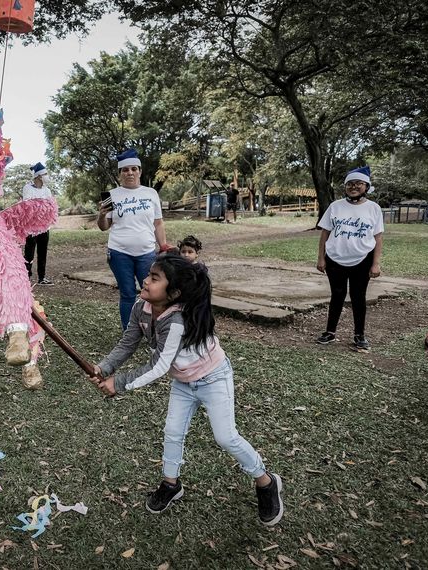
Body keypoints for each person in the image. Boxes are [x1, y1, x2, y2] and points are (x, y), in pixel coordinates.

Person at [91, 253, 284, 526]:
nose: (145, 281)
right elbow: (127, 343)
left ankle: (266, 481)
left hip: (213, 379)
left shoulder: (177, 321)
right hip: (183, 381)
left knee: (226, 437)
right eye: (148, 275)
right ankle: (171, 484)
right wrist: (104, 368)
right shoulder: (141, 308)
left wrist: (119, 383)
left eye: (154, 278)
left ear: (174, 293)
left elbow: (158, 366)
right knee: (172, 432)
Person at [97, 149, 167, 329]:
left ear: (140, 171)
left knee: (151, 293)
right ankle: (129, 333)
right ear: (120, 173)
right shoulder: (113, 195)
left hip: (147, 254)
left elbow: (158, 223)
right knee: (128, 294)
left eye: (133, 169)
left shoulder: (151, 193)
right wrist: (101, 215)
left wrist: (164, 245)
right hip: (119, 253)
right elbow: (104, 226)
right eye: (125, 170)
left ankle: (152, 330)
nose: (130, 173)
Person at [316, 166, 383, 352]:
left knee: (358, 297)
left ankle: (359, 335)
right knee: (337, 295)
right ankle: (330, 332)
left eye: (358, 184)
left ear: (366, 186)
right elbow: (324, 234)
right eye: (350, 184)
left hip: (363, 259)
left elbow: (378, 238)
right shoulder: (335, 206)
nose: (353, 187)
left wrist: (376, 263)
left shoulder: (374, 209)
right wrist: (321, 258)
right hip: (335, 258)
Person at [22, 162, 54, 285]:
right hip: (31, 227)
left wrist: (41, 205)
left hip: (45, 227)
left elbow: (50, 206)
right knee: (29, 254)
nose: (47, 176)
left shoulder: (47, 190)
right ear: (39, 176)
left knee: (42, 252)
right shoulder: (28, 188)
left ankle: (42, 277)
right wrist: (41, 205)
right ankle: (26, 277)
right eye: (45, 174)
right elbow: (28, 205)